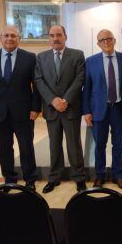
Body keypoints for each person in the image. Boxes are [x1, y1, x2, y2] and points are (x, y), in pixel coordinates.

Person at [0, 26, 40, 190]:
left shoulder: (30, 58)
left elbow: (37, 86)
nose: (9, 38)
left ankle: (30, 178)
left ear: (19, 38)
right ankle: (9, 178)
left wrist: (35, 108)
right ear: (0, 38)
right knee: (4, 148)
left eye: (13, 35)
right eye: (6, 35)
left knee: (26, 147)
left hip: (24, 112)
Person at [35, 25, 87, 193]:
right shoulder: (41, 57)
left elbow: (80, 78)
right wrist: (53, 100)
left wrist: (65, 100)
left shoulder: (77, 55)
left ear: (66, 36)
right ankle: (54, 177)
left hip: (70, 108)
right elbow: (39, 80)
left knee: (74, 145)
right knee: (54, 145)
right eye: (52, 35)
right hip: (51, 109)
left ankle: (79, 178)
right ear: (49, 38)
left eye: (59, 35)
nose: (55, 38)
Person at [82, 29, 122, 190]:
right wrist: (86, 111)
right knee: (100, 145)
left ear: (114, 40)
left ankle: (118, 175)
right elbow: (87, 88)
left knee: (118, 145)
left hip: (119, 109)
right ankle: (100, 175)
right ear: (98, 44)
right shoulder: (91, 61)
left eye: (109, 38)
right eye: (102, 39)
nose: (106, 41)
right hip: (99, 110)